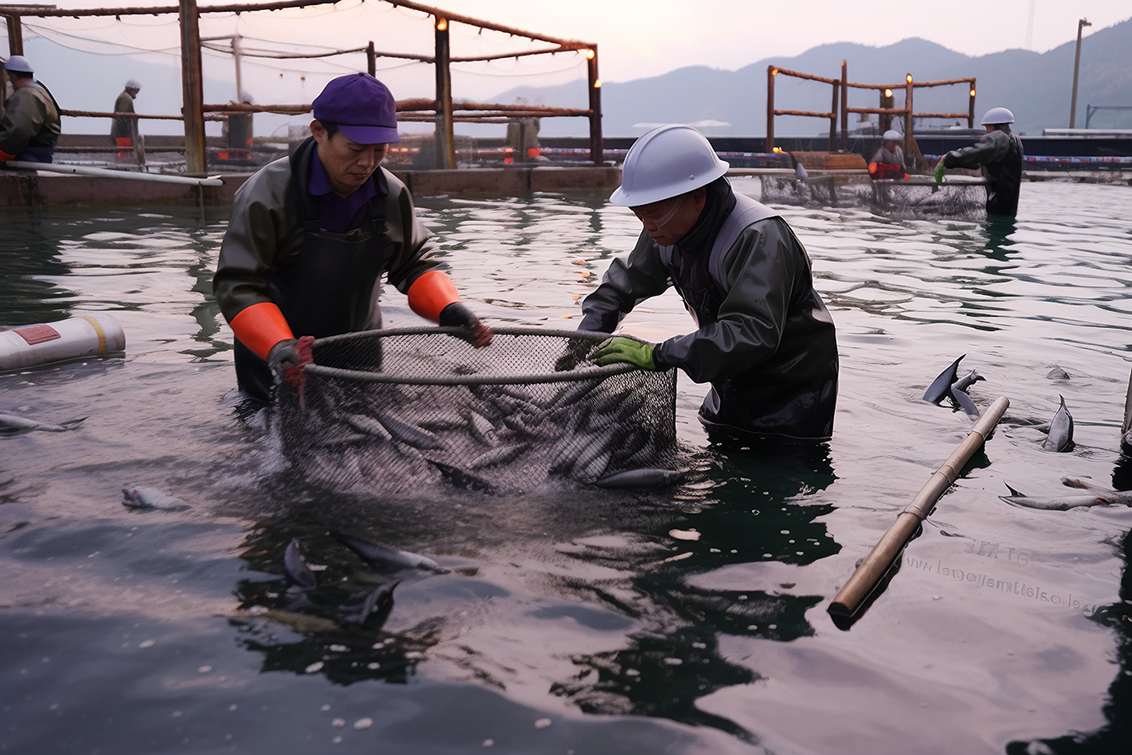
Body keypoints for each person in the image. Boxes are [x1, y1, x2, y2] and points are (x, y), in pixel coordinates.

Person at [213, 72, 492, 403]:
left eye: (379, 150)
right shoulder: (269, 194)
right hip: (278, 357)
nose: (367, 163)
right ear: (319, 132)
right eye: (356, 148)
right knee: (269, 441)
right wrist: (279, 346)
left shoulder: (390, 194)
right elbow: (238, 285)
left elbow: (415, 263)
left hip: (359, 357)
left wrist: (449, 309)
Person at [578, 124, 839, 442]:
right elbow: (620, 288)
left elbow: (751, 332)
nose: (648, 228)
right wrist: (583, 341)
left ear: (698, 198)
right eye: (639, 216)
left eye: (654, 215)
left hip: (792, 401)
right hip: (728, 388)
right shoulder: (665, 232)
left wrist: (661, 354)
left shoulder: (759, 237)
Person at [935, 106, 1023, 217]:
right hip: (1010, 205)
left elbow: (977, 153)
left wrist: (949, 158)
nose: (986, 131)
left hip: (998, 201)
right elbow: (981, 160)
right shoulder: (1016, 139)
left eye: (987, 127)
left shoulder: (998, 137)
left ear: (992, 125)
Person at [0, 55, 60, 163]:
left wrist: (3, 151)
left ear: (12, 76)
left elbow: (18, 131)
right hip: (38, 154)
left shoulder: (27, 95)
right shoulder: (38, 91)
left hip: (29, 155)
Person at [111, 79, 141, 161]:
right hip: (124, 132)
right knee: (124, 154)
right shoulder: (126, 98)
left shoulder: (123, 97)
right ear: (131, 89)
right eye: (136, 91)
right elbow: (124, 116)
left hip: (122, 131)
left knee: (125, 152)